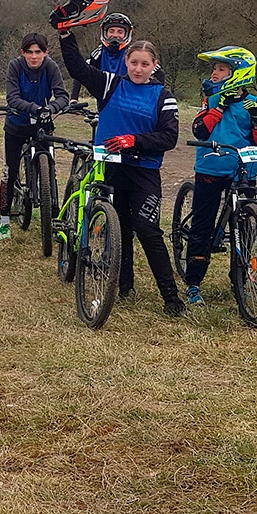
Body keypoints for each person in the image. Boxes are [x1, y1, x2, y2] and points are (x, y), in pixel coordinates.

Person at [61, 37, 183, 315]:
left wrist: (133, 140)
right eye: (133, 63)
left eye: (145, 64)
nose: (138, 69)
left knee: (148, 230)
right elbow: (77, 67)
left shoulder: (163, 96)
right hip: (111, 168)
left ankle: (171, 297)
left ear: (154, 66)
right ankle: (124, 286)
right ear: (126, 63)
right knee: (120, 230)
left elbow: (169, 137)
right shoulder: (111, 84)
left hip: (144, 171)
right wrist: (66, 34)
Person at [185, 47, 257, 305]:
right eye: (214, 68)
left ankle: (241, 279)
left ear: (238, 73)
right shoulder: (210, 99)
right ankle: (193, 283)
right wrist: (219, 107)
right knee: (202, 224)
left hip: (243, 171)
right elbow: (200, 131)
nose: (214, 73)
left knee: (245, 227)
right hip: (211, 167)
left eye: (221, 69)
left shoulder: (253, 103)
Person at [0, 32, 69, 241]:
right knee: (9, 172)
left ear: (45, 52)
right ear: (23, 53)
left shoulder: (51, 67)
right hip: (16, 124)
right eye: (29, 52)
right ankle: (4, 219)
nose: (34, 56)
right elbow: (12, 97)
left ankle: (54, 217)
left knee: (49, 172)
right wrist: (35, 108)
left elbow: (63, 96)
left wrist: (50, 108)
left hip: (42, 124)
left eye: (38, 52)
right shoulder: (15, 66)